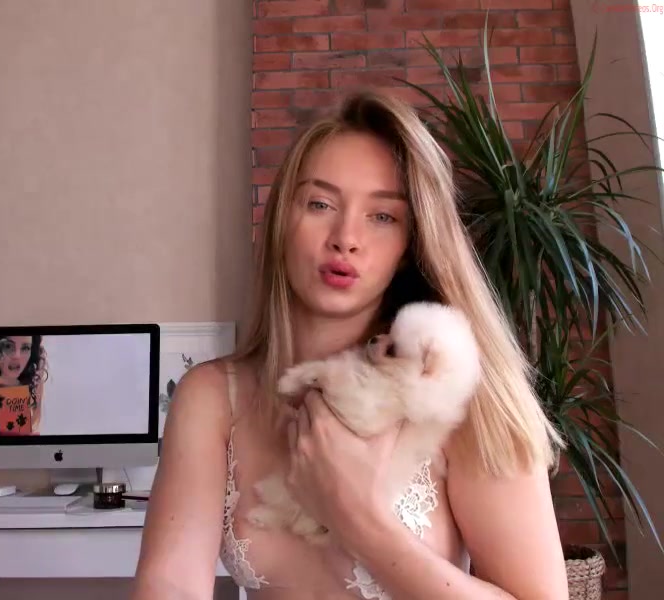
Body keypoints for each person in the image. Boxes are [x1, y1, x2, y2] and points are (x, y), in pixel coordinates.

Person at [131, 89, 569, 599]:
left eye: (383, 216)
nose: (345, 238)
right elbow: (169, 585)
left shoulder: (460, 392)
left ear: (410, 245)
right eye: (320, 204)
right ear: (281, 221)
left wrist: (357, 516)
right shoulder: (211, 397)